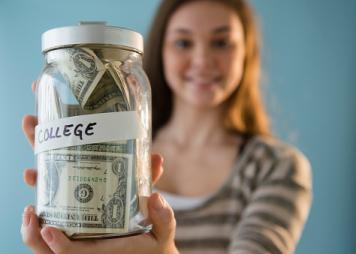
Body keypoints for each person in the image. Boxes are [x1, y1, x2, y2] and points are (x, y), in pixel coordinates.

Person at [21, 0, 312, 253]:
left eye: (221, 42)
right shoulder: (127, 149)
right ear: (161, 50)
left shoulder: (277, 166)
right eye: (183, 42)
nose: (202, 60)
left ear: (247, 52)